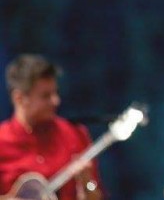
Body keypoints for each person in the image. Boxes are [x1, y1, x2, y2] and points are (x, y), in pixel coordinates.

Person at [0, 54, 102, 200]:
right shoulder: (2, 142)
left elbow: (96, 195)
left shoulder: (75, 135)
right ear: (19, 98)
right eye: (45, 96)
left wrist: (87, 184)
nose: (55, 101)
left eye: (55, 93)